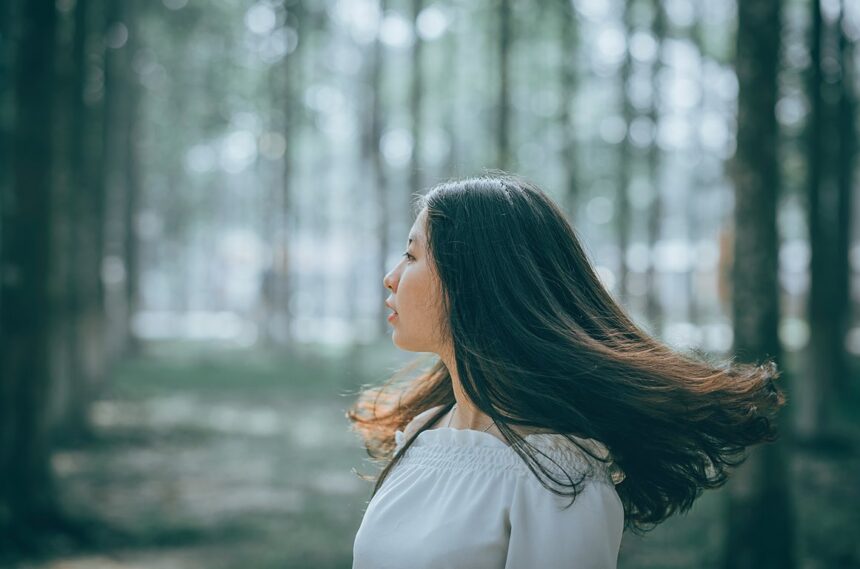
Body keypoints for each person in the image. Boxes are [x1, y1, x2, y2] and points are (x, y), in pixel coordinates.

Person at [347, 172, 786, 569]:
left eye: (411, 256)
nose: (391, 276)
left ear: (475, 280)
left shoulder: (558, 481)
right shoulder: (423, 433)